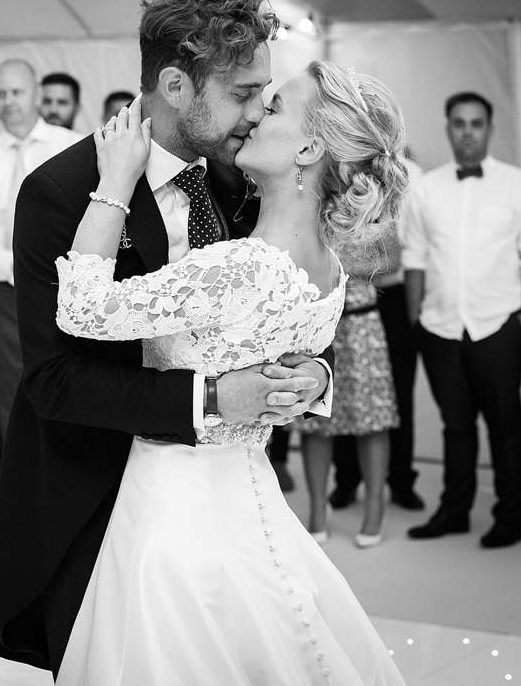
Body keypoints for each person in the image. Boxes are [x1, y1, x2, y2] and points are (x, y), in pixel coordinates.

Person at [0, 0, 336, 676]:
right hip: (98, 495)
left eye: (265, 97)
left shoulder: (247, 175)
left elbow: (284, 296)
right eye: (242, 94)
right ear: (176, 86)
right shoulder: (60, 191)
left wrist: (313, 372)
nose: (257, 114)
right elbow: (52, 381)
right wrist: (211, 401)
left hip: (221, 500)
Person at [53, 57, 408, 682]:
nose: (252, 115)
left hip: (176, 504)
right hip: (251, 495)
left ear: (308, 148)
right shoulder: (329, 267)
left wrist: (113, 182)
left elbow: (81, 309)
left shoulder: (239, 268)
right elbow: (298, 364)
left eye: (272, 108)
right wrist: (316, 381)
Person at [403, 92, 521, 549]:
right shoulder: (426, 188)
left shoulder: (520, 185)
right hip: (441, 329)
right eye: (460, 124)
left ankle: (510, 514)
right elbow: (415, 257)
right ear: (448, 128)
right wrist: (418, 324)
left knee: (505, 424)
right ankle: (454, 510)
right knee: (456, 425)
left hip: (498, 328)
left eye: (477, 124)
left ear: (489, 129)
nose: (468, 132)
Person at [0, 59, 81, 531]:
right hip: (2, 297)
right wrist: (17, 265)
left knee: (70, 390)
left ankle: (70, 499)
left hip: (65, 289)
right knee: (14, 405)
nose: (9, 102)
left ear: (35, 94)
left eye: (16, 92)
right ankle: (30, 514)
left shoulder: (71, 148)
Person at [330, 154, 426, 512]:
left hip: (389, 298)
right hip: (340, 301)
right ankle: (346, 480)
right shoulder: (332, 173)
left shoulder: (410, 173)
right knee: (341, 391)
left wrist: (345, 264)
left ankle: (400, 479)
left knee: (395, 391)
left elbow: (395, 257)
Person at [295, 262, 399, 548]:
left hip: (361, 324)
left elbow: (393, 258)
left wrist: (333, 262)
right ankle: (318, 507)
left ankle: (375, 506)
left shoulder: (372, 215)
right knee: (315, 417)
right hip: (315, 324)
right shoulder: (309, 214)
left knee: (372, 418)